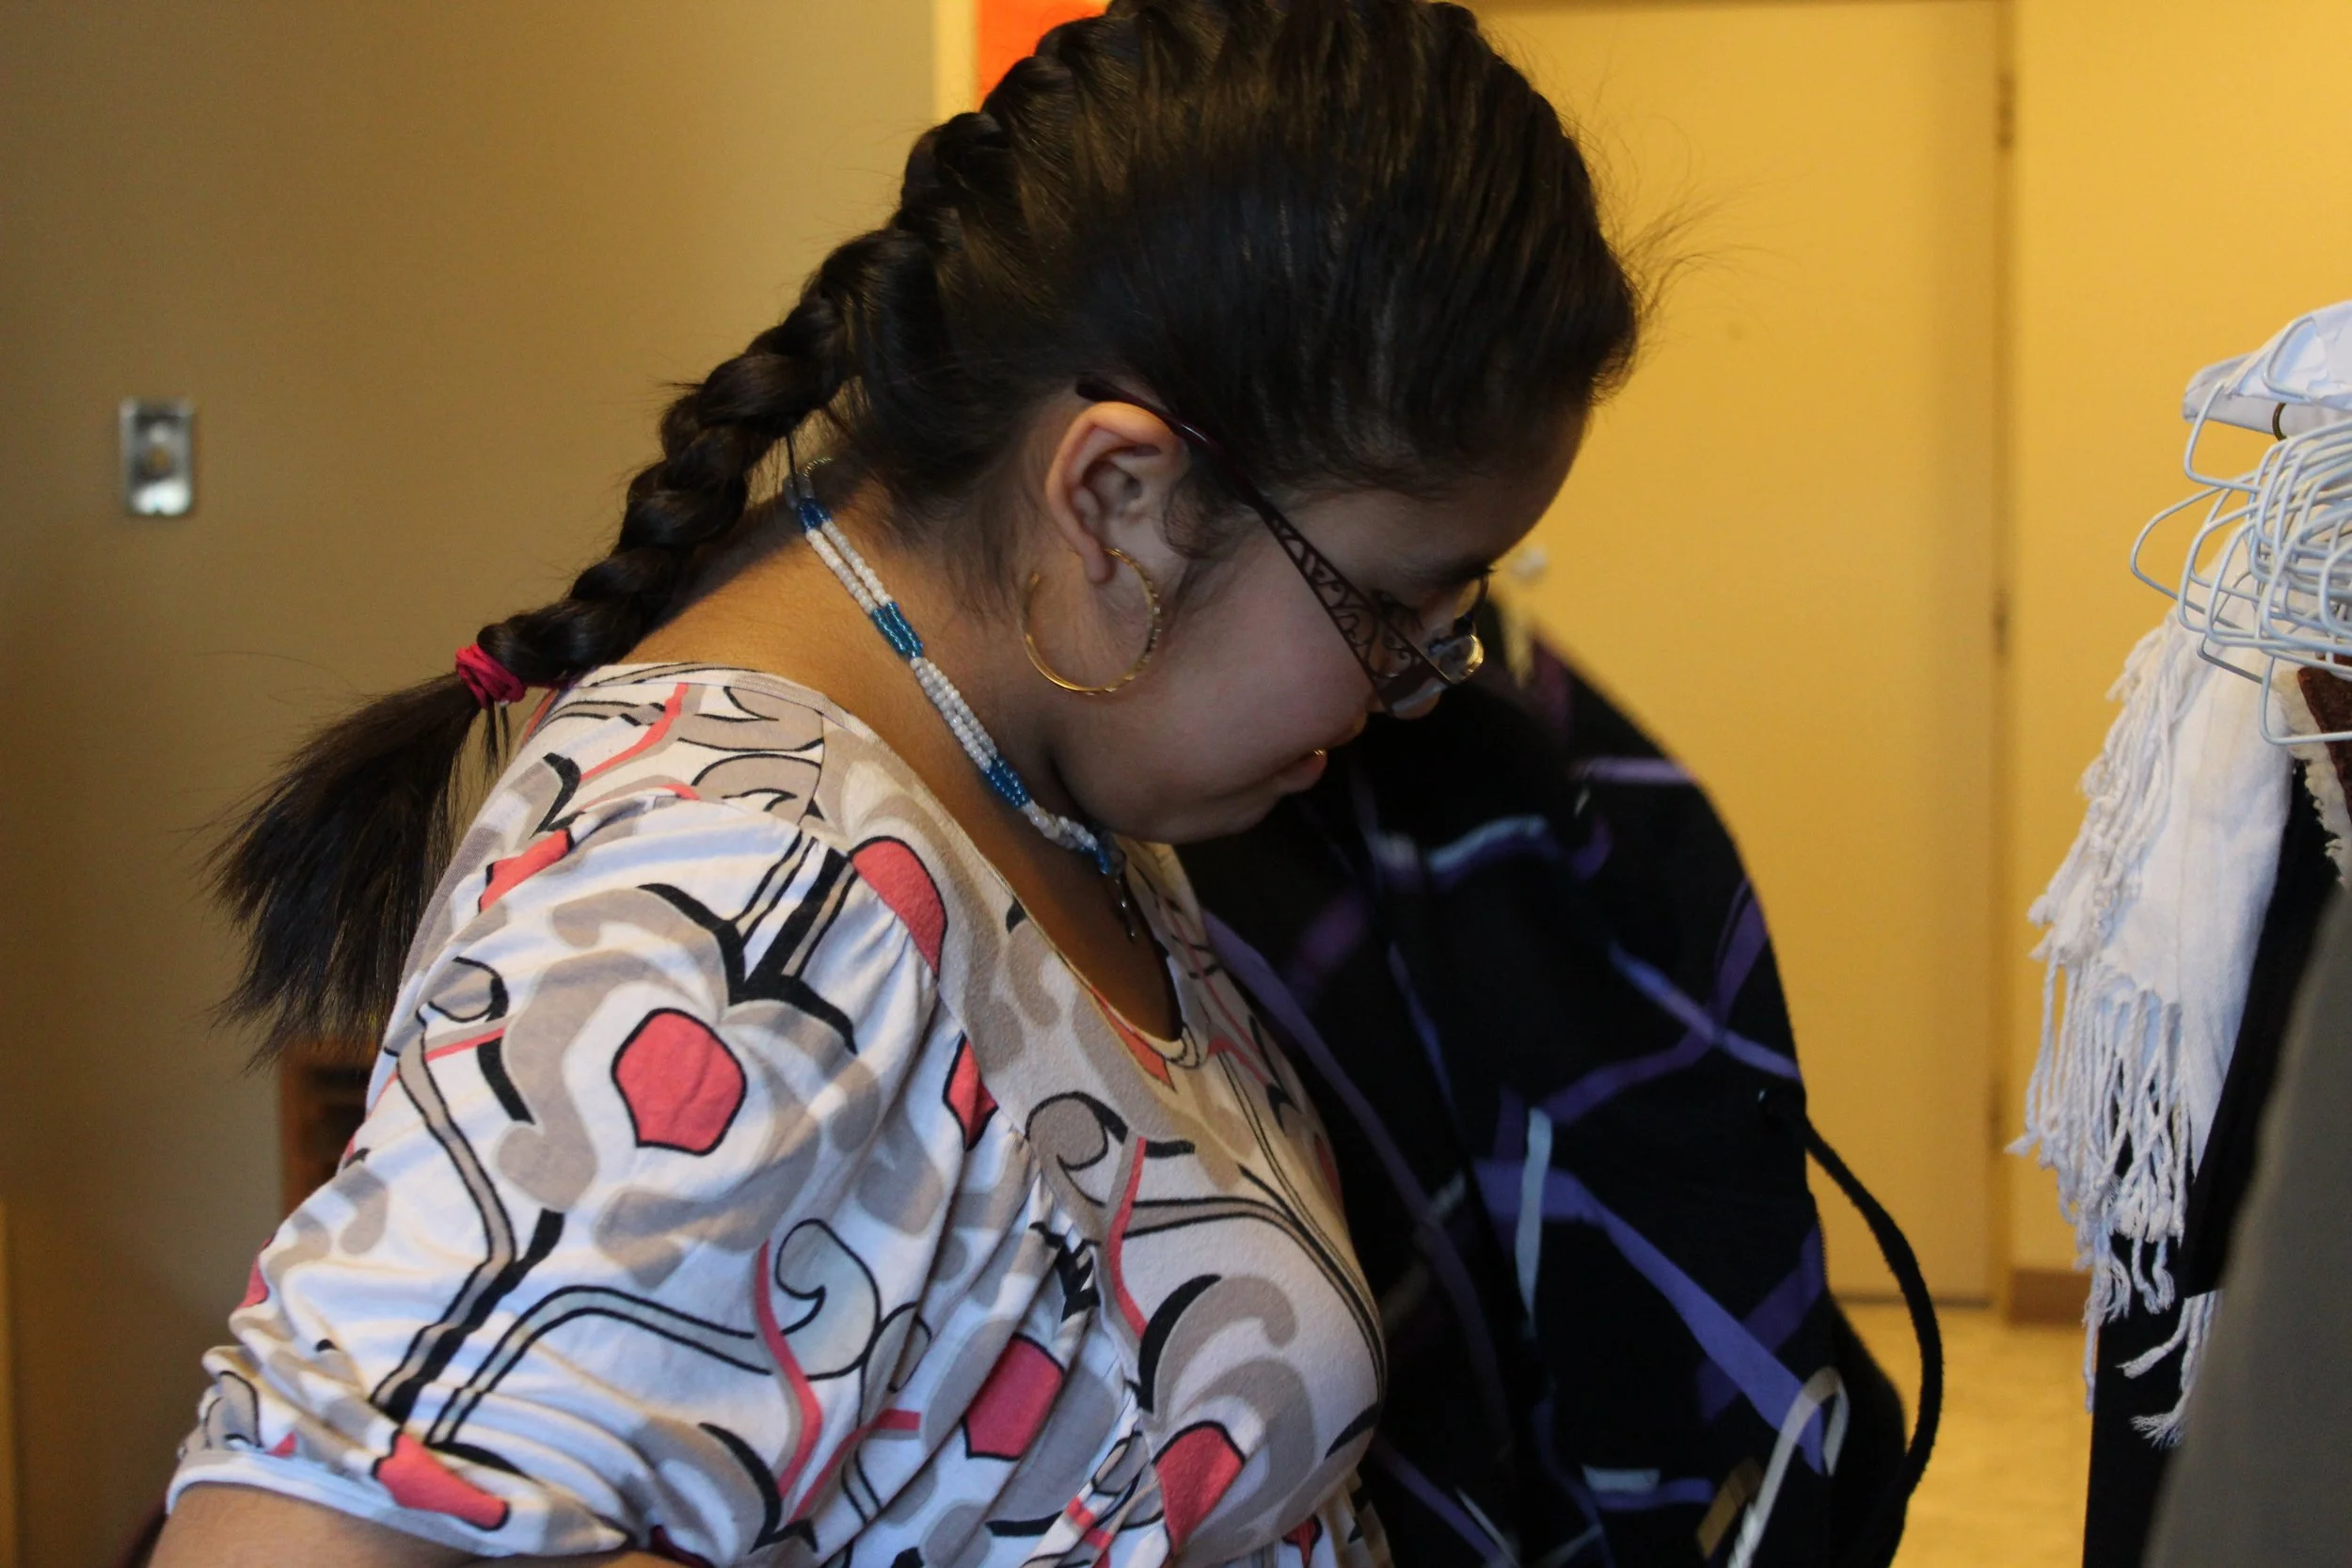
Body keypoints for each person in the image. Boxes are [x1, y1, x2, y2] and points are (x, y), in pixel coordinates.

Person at [150, 3, 1640, 1564]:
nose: (1411, 686)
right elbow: (295, 1542)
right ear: (1118, 497)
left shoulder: (1016, 767)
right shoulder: (747, 882)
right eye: (1390, 607)